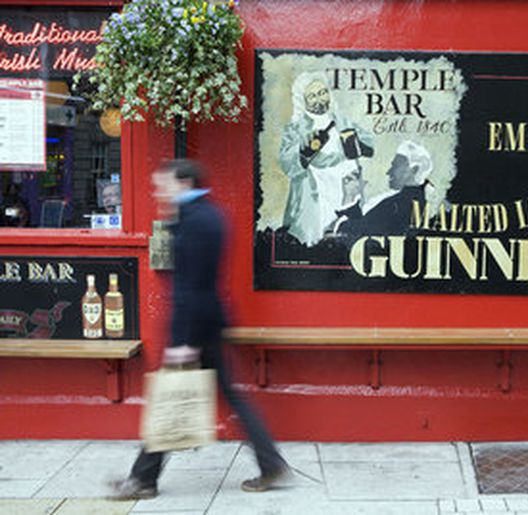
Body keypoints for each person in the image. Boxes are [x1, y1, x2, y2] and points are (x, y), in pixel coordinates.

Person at [110, 159, 287, 500]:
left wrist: (183, 341)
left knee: (169, 399)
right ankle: (270, 464)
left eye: (163, 184)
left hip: (195, 329)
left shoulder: (194, 221)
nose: (157, 191)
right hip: (207, 323)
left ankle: (143, 479)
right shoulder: (208, 215)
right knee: (221, 395)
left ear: (185, 182)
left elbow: (190, 286)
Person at [279, 71, 374, 246]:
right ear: (303, 100)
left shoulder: (341, 121)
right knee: (317, 243)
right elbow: (287, 164)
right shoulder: (296, 129)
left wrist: (355, 145)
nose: (319, 99)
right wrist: (304, 150)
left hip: (346, 192)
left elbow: (369, 143)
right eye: (312, 96)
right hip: (316, 194)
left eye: (323, 92)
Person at [335, 140, 433, 240]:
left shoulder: (396, 205)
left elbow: (349, 230)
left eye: (395, 166)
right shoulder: (412, 200)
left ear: (414, 169)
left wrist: (349, 200)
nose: (389, 172)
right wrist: (350, 195)